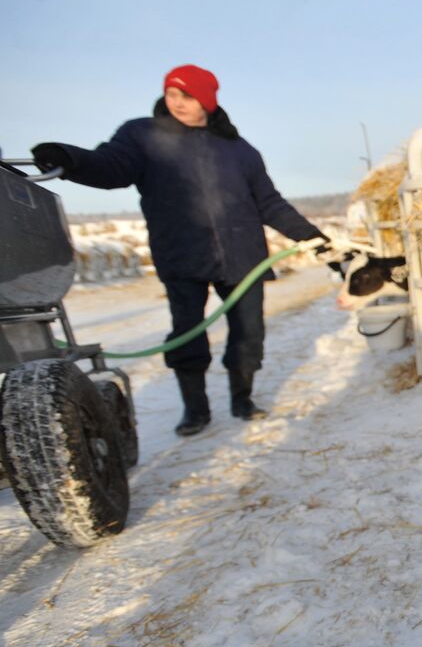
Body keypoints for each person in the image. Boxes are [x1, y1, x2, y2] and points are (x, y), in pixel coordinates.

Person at [32, 64, 328, 436]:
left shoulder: (240, 150)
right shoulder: (144, 136)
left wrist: (314, 237)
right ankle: (196, 410)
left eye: (187, 95)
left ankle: (242, 398)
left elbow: (269, 203)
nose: (177, 102)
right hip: (182, 256)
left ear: (207, 99)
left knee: (249, 333)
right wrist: (71, 159)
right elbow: (110, 168)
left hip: (243, 258)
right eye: (171, 93)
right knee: (186, 333)